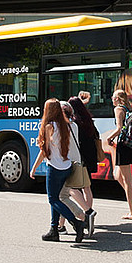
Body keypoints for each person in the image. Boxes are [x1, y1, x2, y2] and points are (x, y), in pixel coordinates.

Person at [29, 98, 86, 243]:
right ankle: (54, 230)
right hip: (66, 166)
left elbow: (44, 152)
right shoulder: (64, 125)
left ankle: (76, 223)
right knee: (56, 199)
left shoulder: (49, 126)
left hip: (54, 168)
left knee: (53, 199)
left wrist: (33, 169)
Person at [106, 89, 132, 220]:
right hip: (129, 146)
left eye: (113, 96)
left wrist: (108, 139)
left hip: (123, 146)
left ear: (118, 99)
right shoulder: (129, 109)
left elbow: (119, 128)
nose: (111, 98)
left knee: (127, 180)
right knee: (117, 175)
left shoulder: (118, 109)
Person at [55, 101, 89, 236]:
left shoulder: (63, 128)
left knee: (61, 197)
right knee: (64, 195)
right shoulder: (74, 126)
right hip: (75, 163)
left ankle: (84, 216)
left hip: (66, 164)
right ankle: (60, 225)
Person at [68, 94, 99, 236]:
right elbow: (96, 136)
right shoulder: (88, 120)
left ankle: (87, 213)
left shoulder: (74, 123)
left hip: (79, 159)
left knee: (71, 188)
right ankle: (89, 213)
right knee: (87, 187)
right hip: (90, 157)